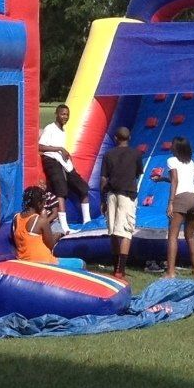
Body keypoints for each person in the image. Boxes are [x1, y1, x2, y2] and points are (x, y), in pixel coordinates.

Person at [99, 125, 144, 280]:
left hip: (111, 193)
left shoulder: (108, 155)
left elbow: (103, 179)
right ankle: (121, 269)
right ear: (129, 138)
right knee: (125, 231)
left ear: (116, 138)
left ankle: (115, 265)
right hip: (127, 194)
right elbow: (138, 173)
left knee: (113, 231)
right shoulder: (136, 154)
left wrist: (102, 199)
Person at [36, 103, 90, 229]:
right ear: (56, 114)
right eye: (63, 114)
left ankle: (87, 221)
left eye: (67, 115)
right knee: (61, 191)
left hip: (63, 162)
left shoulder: (63, 131)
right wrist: (59, 149)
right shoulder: (50, 128)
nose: (65, 117)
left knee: (83, 188)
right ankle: (64, 226)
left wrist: (65, 153)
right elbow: (40, 146)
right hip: (52, 160)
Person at [164, 136, 194, 279]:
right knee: (190, 236)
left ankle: (171, 272)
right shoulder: (190, 162)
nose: (170, 146)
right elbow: (183, 180)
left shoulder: (171, 161)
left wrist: (171, 202)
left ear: (176, 147)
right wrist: (162, 179)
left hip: (181, 198)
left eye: (172, 144)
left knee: (172, 236)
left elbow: (175, 181)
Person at [11, 184, 66, 263]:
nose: (44, 206)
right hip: (44, 261)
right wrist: (58, 235)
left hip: (23, 261)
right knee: (80, 263)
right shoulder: (41, 221)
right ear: (39, 204)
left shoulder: (16, 218)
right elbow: (51, 245)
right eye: (43, 204)